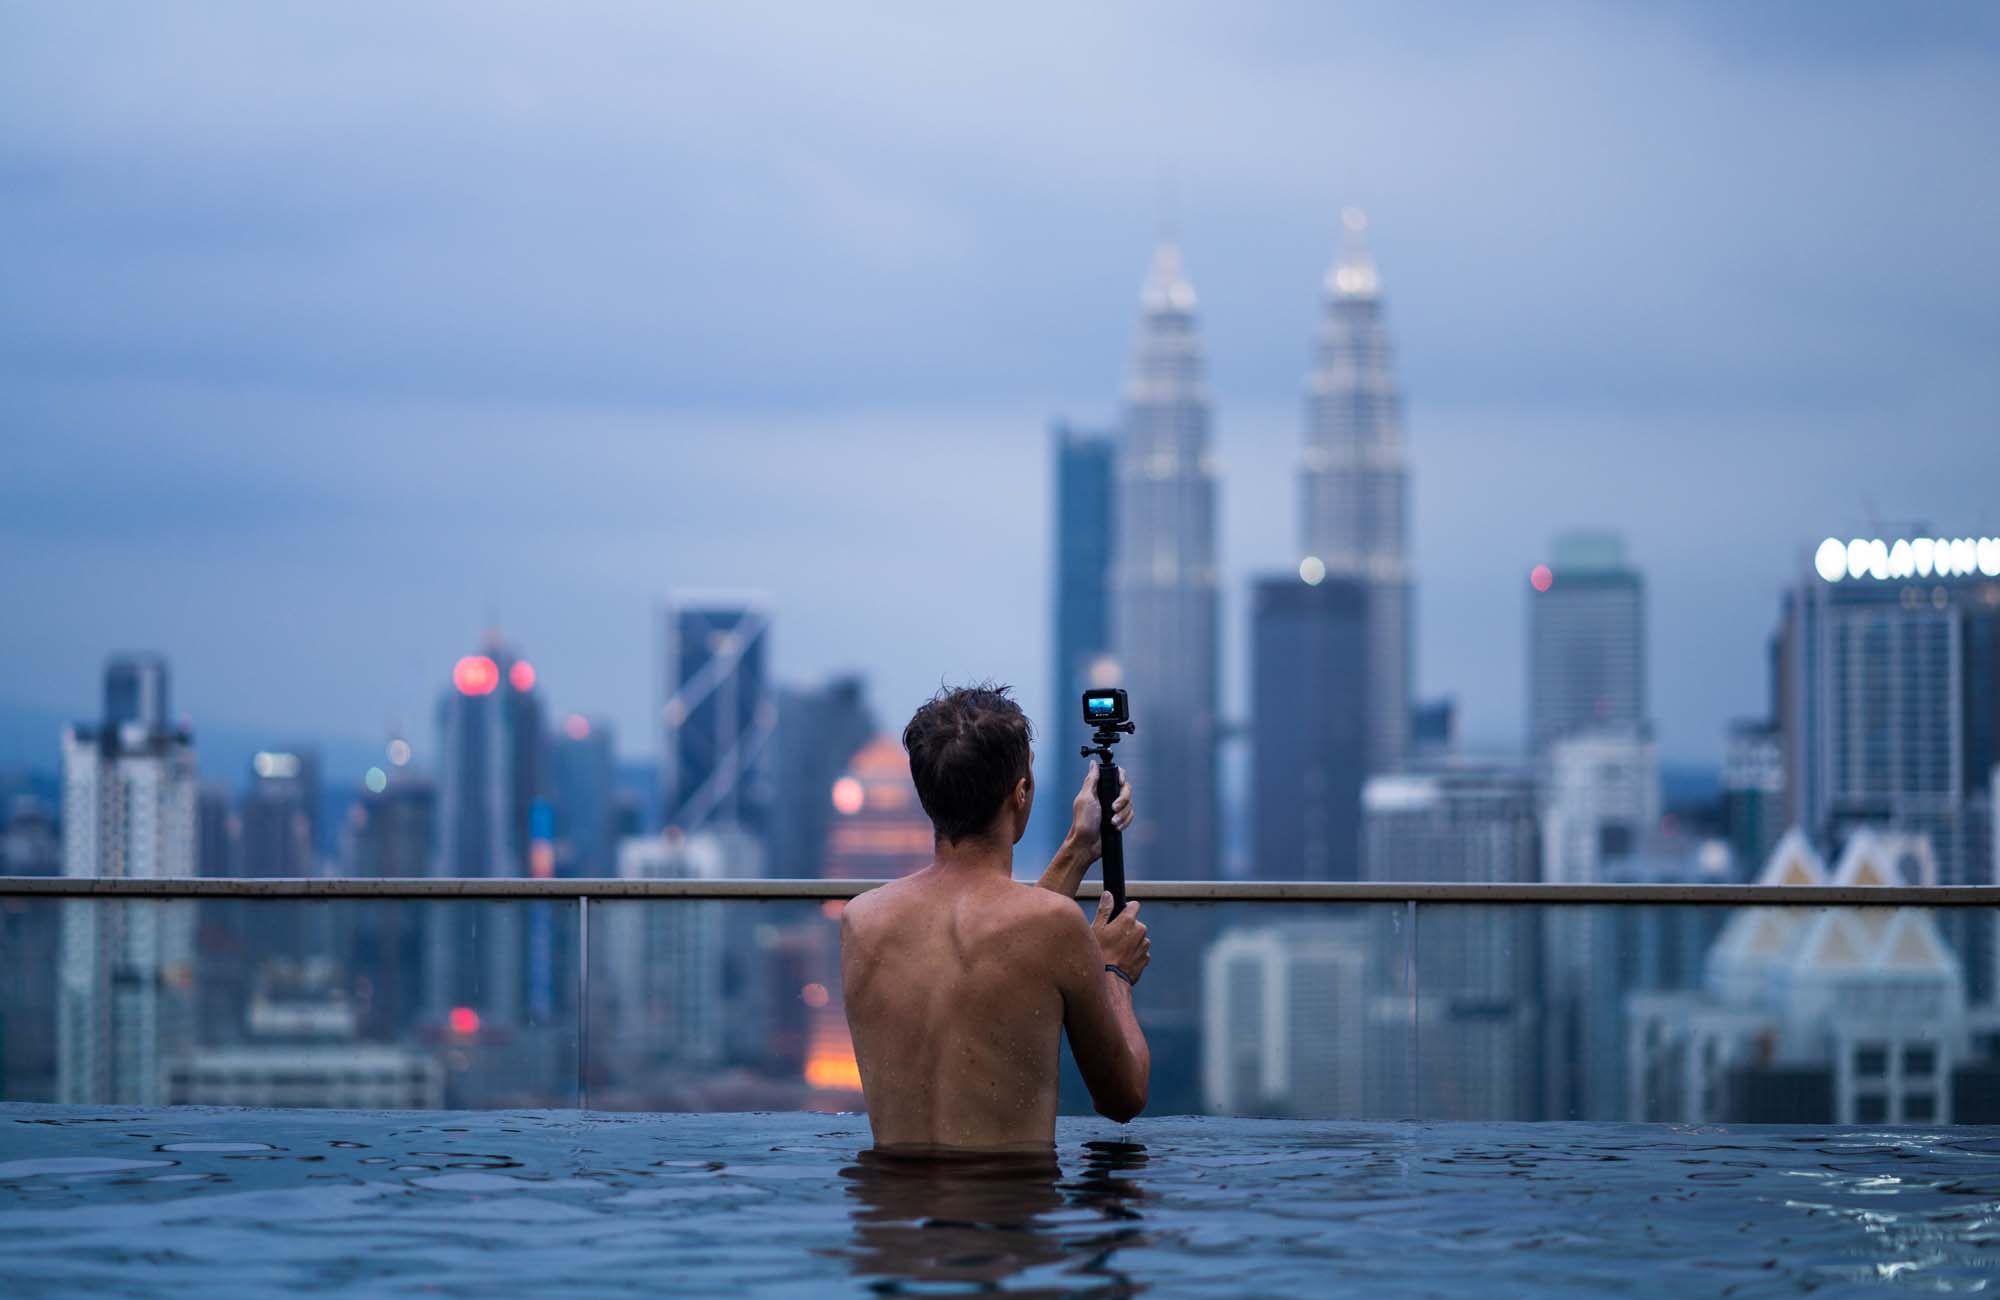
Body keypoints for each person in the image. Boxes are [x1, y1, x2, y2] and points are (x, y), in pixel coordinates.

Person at [840, 684, 1151, 1151]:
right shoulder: (1055, 927)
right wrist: (1115, 973)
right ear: (1021, 792)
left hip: (891, 1210)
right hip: (1005, 1209)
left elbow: (997, 954)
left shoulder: (862, 921)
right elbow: (1122, 1099)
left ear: (926, 795)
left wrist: (1080, 847)